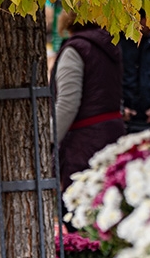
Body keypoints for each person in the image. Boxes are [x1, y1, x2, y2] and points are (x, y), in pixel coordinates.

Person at [51, 11, 125, 191]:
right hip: (112, 135)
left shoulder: (76, 50)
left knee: (79, 205)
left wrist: (48, 140)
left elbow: (68, 104)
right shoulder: (110, 46)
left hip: (84, 143)